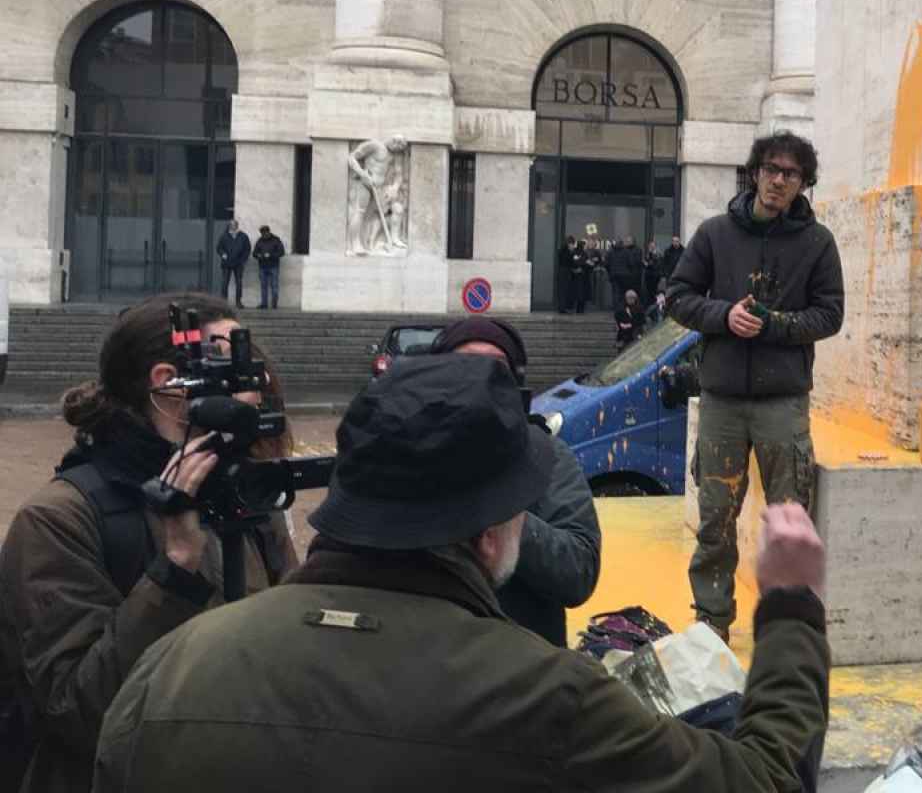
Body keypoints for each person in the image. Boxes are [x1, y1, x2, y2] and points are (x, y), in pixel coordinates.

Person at [94, 355, 831, 792]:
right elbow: (764, 780)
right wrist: (790, 606)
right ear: (489, 534)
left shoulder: (173, 666)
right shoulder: (544, 697)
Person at [0, 293, 297, 792]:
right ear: (168, 383)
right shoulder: (60, 519)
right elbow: (78, 709)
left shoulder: (249, 499)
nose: (259, 380)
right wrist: (176, 569)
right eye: (234, 359)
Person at [665, 131, 844, 641]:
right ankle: (711, 623)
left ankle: (785, 627)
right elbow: (677, 296)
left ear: (803, 184)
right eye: (770, 169)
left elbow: (829, 315)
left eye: (790, 174)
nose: (778, 181)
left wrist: (775, 325)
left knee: (790, 521)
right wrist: (723, 316)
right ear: (755, 173)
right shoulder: (715, 234)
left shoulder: (818, 243)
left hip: (783, 402)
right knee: (716, 518)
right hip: (723, 399)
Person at [427, 317, 601, 645]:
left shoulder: (545, 454)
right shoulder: (406, 448)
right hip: (430, 658)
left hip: (524, 663)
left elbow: (579, 572)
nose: (479, 380)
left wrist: (502, 510)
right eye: (464, 365)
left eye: (495, 368)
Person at [216, 219, 250, 308]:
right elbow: (219, 248)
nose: (232, 226)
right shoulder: (224, 236)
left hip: (238, 263)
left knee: (239, 282)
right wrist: (223, 254)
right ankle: (224, 303)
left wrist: (243, 260)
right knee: (225, 283)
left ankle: (238, 302)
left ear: (237, 226)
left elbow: (247, 249)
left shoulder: (243, 236)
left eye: (234, 225)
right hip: (226, 263)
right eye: (231, 225)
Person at [252, 224, 285, 310]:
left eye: (265, 233)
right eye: (262, 234)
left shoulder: (276, 240)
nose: (264, 235)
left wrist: (270, 255)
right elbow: (254, 253)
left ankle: (274, 303)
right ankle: (264, 304)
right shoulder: (260, 240)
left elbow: (281, 252)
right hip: (262, 266)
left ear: (268, 232)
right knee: (263, 286)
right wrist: (259, 255)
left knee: (274, 285)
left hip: (273, 266)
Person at [607, 235, 642, 303]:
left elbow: (606, 263)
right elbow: (631, 263)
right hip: (625, 275)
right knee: (622, 292)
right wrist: (629, 271)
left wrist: (610, 271)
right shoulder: (626, 251)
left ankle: (616, 308)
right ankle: (621, 307)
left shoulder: (610, 252)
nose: (626, 243)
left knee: (615, 292)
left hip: (614, 275)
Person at [555, 235, 577, 314]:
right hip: (565, 273)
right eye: (572, 244)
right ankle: (562, 308)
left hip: (563, 272)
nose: (573, 246)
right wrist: (573, 256)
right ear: (569, 244)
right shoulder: (566, 252)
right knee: (564, 290)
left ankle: (562, 307)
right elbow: (568, 262)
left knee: (563, 291)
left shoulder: (562, 250)